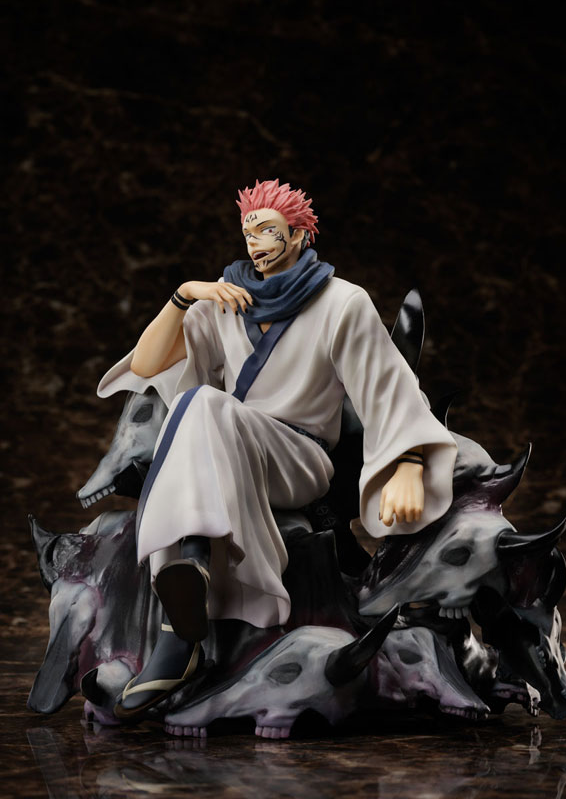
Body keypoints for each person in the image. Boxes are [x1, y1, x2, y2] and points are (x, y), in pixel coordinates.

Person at [96, 179, 457, 718]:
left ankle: (179, 629)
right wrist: (184, 295)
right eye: (248, 232)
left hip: (300, 459)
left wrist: (407, 461)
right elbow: (147, 365)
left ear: (301, 234)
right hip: (226, 447)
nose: (255, 242)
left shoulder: (342, 303)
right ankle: (187, 591)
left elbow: (390, 387)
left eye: (267, 230)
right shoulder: (226, 298)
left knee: (201, 403)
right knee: (198, 403)